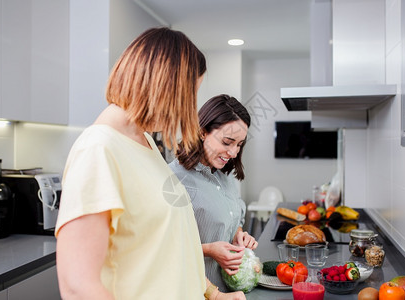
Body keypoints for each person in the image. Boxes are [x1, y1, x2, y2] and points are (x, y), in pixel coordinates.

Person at [55, 28, 245, 300]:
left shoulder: (147, 147)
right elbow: (78, 286)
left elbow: (170, 248)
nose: (189, 108)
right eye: (190, 93)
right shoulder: (99, 150)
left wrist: (215, 295)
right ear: (165, 86)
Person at [169, 94, 258, 292]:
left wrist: (238, 235)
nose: (234, 152)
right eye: (227, 142)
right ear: (202, 132)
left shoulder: (224, 176)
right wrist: (209, 250)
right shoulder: (173, 180)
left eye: (239, 144)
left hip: (228, 292)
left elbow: (232, 221)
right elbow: (163, 248)